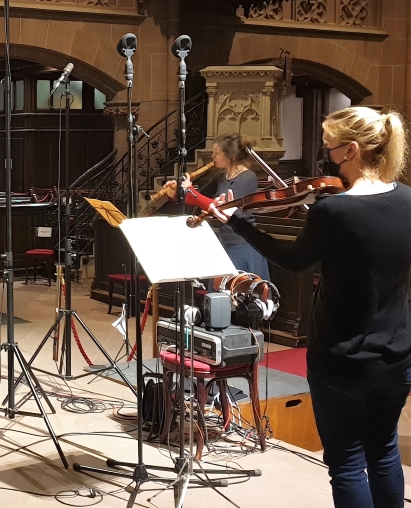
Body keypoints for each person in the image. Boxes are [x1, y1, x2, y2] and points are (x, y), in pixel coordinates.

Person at [208, 107, 411, 508]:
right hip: (399, 351)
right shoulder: (407, 199)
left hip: (342, 354)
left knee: (347, 461)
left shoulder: (334, 210)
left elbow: (294, 261)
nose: (325, 155)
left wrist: (238, 222)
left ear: (351, 150)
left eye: (329, 147)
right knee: (384, 448)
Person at [164, 132, 270, 280]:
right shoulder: (221, 175)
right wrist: (177, 193)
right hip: (226, 241)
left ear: (229, 155)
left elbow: (223, 207)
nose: (212, 156)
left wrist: (191, 191)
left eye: (217, 153)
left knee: (242, 290)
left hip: (243, 243)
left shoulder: (247, 177)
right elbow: (199, 199)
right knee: (221, 292)